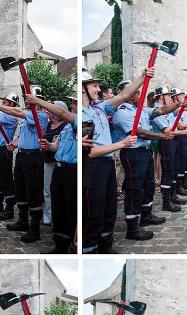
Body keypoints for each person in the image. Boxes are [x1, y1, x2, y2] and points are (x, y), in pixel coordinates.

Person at [81, 68, 149, 253]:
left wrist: (143, 76)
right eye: (94, 85)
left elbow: (124, 95)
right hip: (93, 167)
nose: (98, 89)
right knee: (94, 211)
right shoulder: (82, 115)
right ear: (82, 89)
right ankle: (89, 250)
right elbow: (90, 152)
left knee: (109, 208)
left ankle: (106, 246)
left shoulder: (99, 108)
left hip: (107, 163)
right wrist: (122, 144)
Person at [112, 82, 180, 239]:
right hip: (133, 153)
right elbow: (140, 133)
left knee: (148, 185)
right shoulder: (122, 112)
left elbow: (160, 110)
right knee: (134, 188)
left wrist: (178, 104)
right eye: (137, 93)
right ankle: (132, 226)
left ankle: (146, 214)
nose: (141, 95)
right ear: (129, 96)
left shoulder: (140, 110)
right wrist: (163, 136)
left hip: (144, 151)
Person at [0, 89, 50, 243]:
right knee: (20, 189)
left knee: (33, 191)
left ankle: (34, 228)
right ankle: (22, 220)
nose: (27, 101)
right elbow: (21, 134)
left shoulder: (40, 115)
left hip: (33, 157)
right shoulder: (26, 116)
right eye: (26, 99)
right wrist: (14, 144)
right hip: (21, 155)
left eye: (30, 99)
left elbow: (16, 112)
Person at [26, 93, 77, 253]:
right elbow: (56, 147)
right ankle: (60, 243)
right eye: (73, 103)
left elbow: (62, 113)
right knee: (58, 206)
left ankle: (72, 244)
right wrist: (48, 145)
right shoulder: (67, 127)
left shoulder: (81, 122)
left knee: (71, 208)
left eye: (75, 103)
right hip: (59, 168)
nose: (73, 106)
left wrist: (37, 101)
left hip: (72, 170)